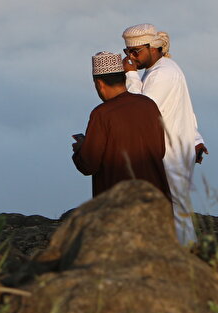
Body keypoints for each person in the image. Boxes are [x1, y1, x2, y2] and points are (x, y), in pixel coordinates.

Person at [121, 23, 206, 244]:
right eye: (127, 52)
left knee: (174, 209)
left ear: (153, 48)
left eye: (135, 52)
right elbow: (185, 110)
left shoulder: (162, 75)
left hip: (170, 153)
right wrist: (196, 139)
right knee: (176, 208)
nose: (131, 58)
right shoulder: (165, 69)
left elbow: (141, 111)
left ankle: (185, 258)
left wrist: (131, 77)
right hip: (177, 148)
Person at [71, 51, 172, 204]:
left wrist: (80, 148)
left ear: (99, 84)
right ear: (123, 78)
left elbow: (88, 164)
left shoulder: (102, 114)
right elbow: (161, 151)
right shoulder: (149, 105)